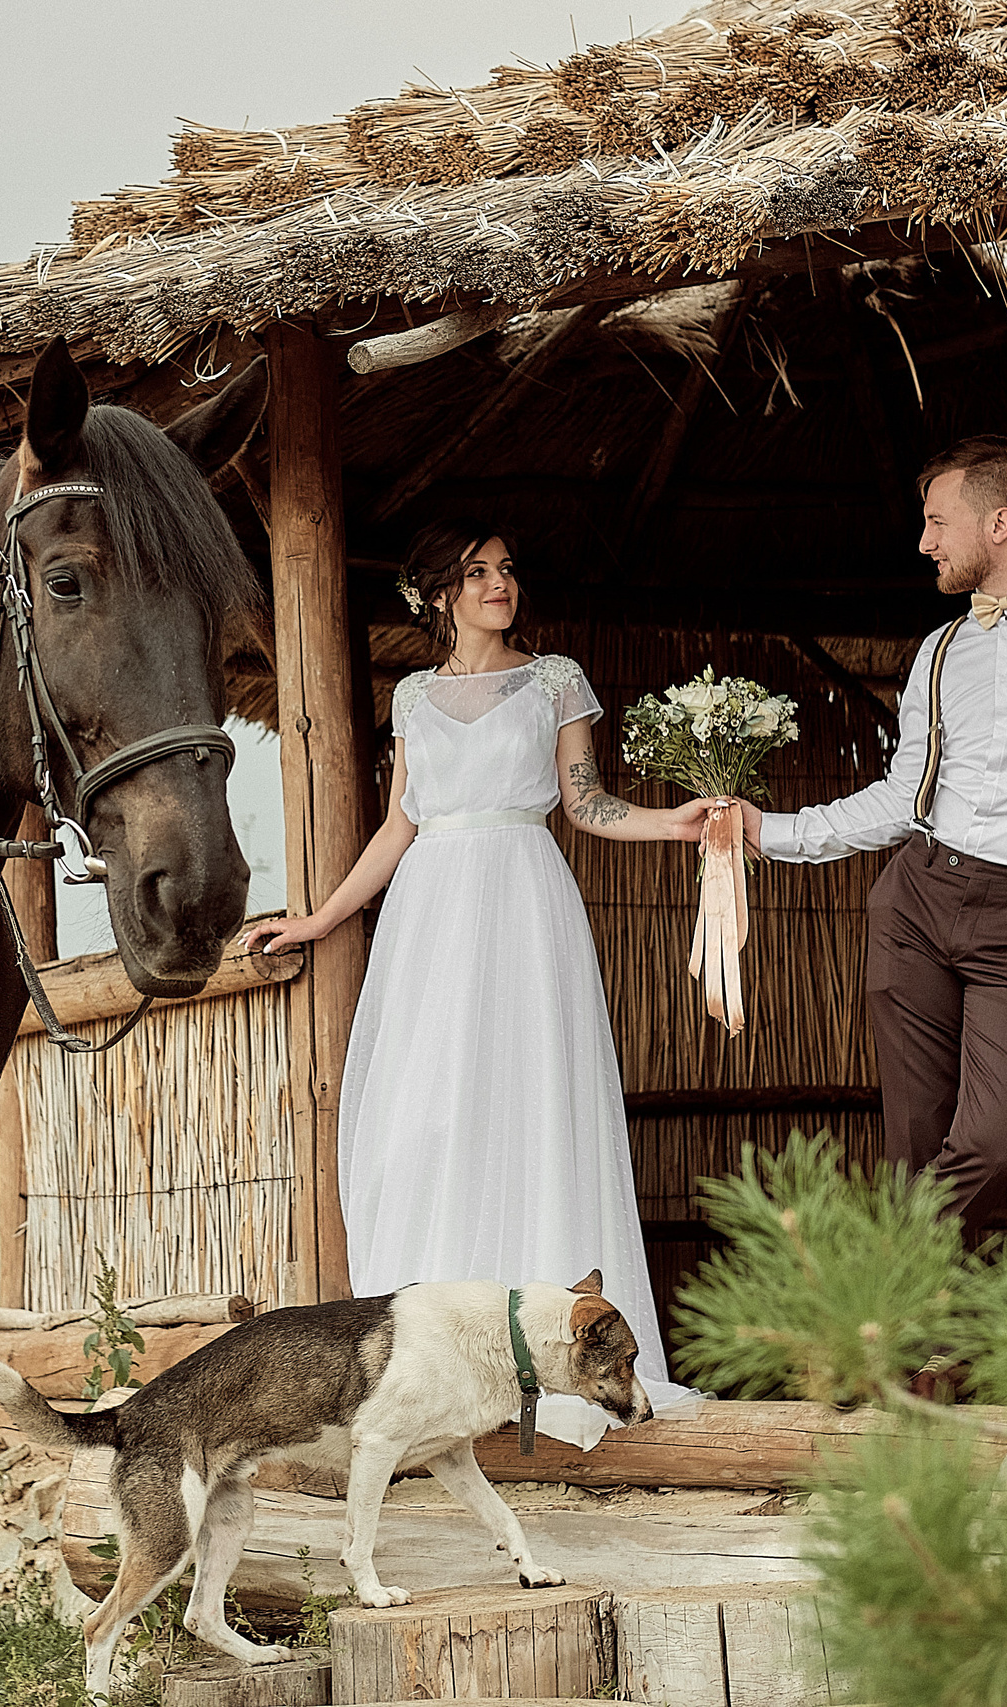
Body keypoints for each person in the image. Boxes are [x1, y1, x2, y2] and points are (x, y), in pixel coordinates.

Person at [242, 520, 709, 1445]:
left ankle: (565, 1364)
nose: (501, 584)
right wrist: (320, 918)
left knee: (532, 1103)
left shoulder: (554, 679)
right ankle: (435, 1368)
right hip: (431, 918)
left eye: (508, 569)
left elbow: (585, 803)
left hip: (526, 904)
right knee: (428, 1115)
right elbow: (397, 827)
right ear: (442, 595)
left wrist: (676, 824)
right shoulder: (414, 696)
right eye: (479, 573)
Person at [728, 435, 1007, 1241]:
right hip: (917, 904)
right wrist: (775, 831)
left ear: (999, 521)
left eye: (939, 522)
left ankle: (870, 1277)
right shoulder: (938, 652)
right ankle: (917, 1356)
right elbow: (905, 798)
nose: (925, 542)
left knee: (995, 1148)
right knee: (913, 1150)